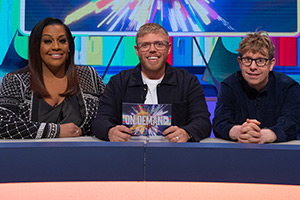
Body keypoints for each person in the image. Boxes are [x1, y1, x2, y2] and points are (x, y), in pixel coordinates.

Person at [92, 23, 211, 142]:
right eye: (145, 45)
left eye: (159, 44)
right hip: (127, 153)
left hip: (175, 153)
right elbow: (100, 121)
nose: (152, 50)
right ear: (137, 50)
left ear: (169, 48)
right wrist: (110, 131)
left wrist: (187, 133)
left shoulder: (188, 81)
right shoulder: (118, 82)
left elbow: (203, 121)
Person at [0, 17, 105, 139]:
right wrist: (56, 131)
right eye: (47, 41)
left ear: (69, 46)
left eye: (62, 41)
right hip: (31, 155)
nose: (56, 46)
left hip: (83, 154)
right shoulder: (16, 80)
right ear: (36, 46)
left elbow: (109, 114)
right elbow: (3, 124)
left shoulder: (88, 75)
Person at [213, 31, 300, 143]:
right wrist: (239, 131)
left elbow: (292, 122)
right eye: (247, 60)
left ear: (271, 64)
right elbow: (220, 122)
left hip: (279, 153)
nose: (253, 67)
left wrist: (266, 135)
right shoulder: (229, 86)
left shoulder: (288, 87)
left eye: (260, 61)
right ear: (240, 62)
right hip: (238, 152)